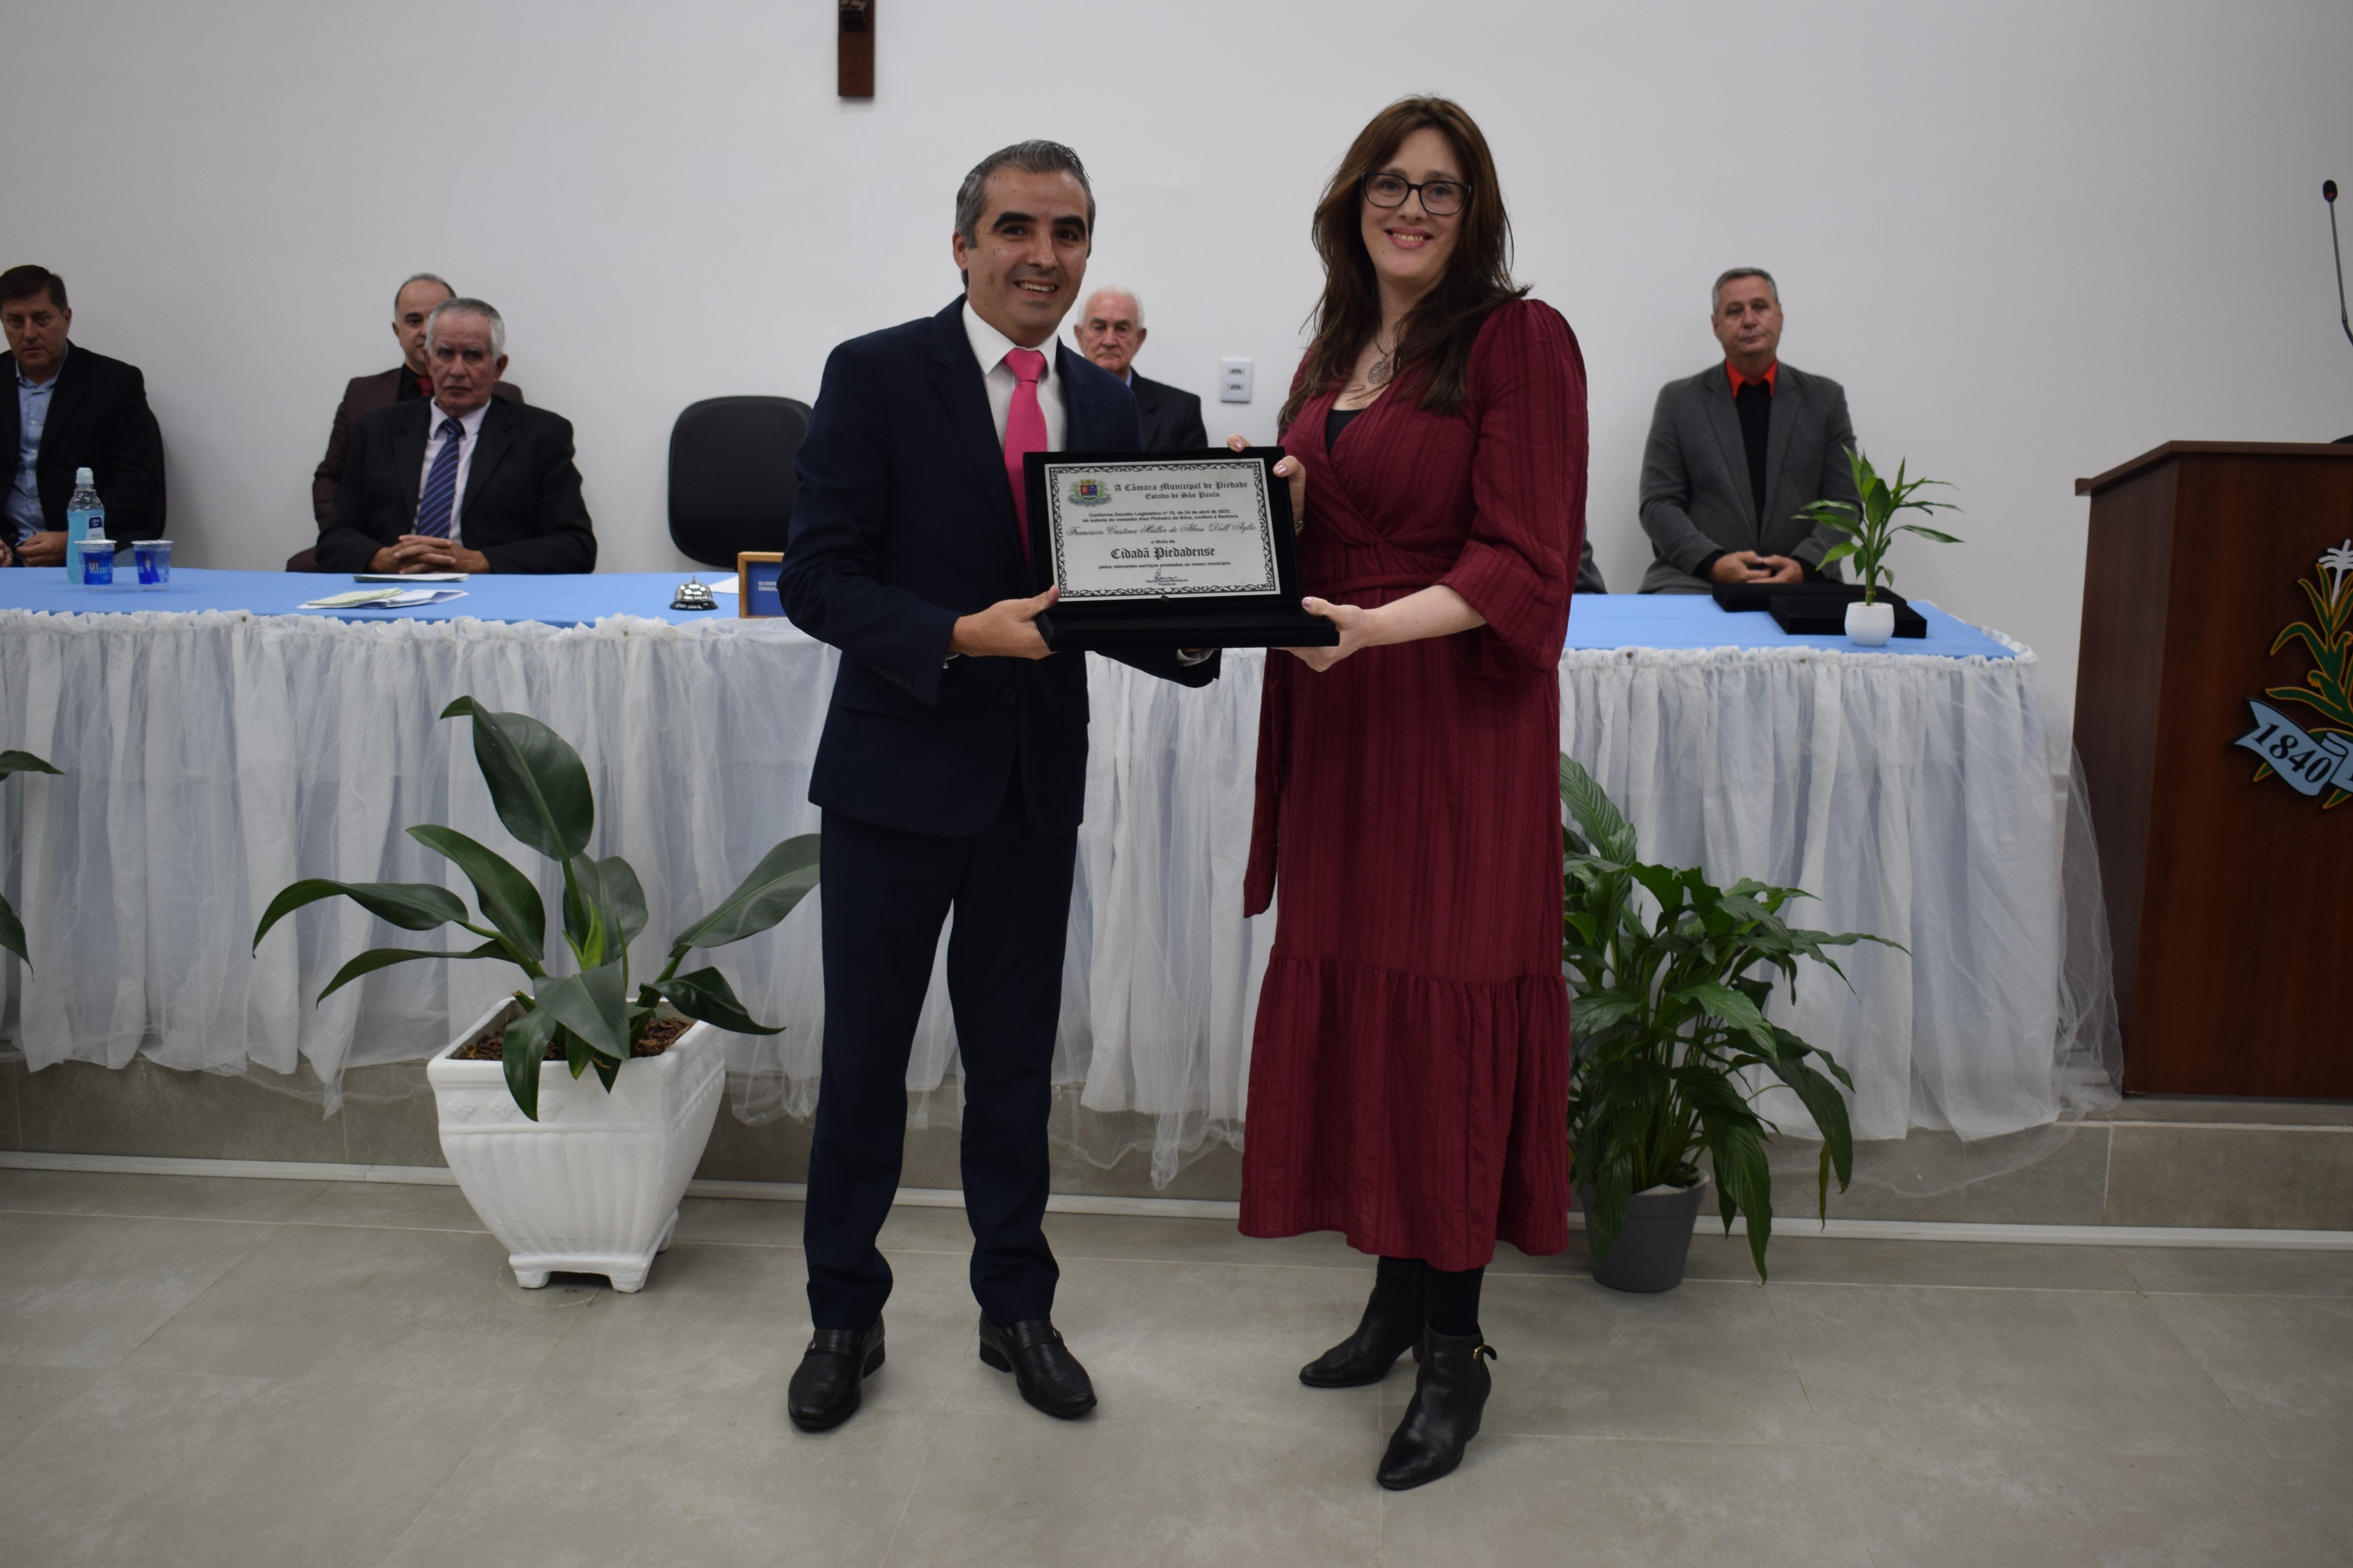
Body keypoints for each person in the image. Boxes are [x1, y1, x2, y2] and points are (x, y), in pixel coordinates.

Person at [777, 140, 1219, 1436]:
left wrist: (1214, 630)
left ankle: (1015, 1305)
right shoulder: (874, 373)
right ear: (963, 244)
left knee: (1017, 1070)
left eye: (1067, 232)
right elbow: (816, 578)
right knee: (863, 1067)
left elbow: (1117, 606)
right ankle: (842, 1315)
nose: (1043, 254)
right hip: (894, 776)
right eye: (1017, 227)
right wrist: (956, 636)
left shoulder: (1112, 405)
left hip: (1032, 790)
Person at [1231, 97, 1585, 1490]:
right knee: (1373, 1008)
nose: (1413, 208)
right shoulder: (1332, 352)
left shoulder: (1519, 341)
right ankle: (1392, 1299)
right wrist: (1263, 520)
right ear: (1351, 202)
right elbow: (1309, 531)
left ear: (1473, 211)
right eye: (1391, 183)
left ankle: (1455, 1349)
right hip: (1344, 719)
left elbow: (1524, 558)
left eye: (1442, 188)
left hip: (1454, 719)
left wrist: (1377, 626)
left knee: (1444, 1012)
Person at [315, 298, 594, 575]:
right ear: (428, 360)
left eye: (473, 355)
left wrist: (482, 562)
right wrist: (381, 559)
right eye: (445, 354)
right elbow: (335, 537)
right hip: (396, 588)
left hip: (488, 592)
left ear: (498, 367)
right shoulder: (376, 431)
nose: (457, 371)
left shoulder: (542, 435)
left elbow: (576, 546)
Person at [1636, 268, 1858, 593]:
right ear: (1716, 326)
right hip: (1696, 579)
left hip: (1802, 578)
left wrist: (1805, 566)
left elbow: (1843, 502)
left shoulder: (1825, 400)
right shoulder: (1678, 401)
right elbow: (1659, 503)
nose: (1750, 320)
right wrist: (1712, 563)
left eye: (1760, 307)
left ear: (1780, 316)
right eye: (1735, 311)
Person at [311, 273, 523, 527]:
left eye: (434, 319)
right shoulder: (362, 395)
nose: (425, 330)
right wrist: (342, 534)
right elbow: (331, 477)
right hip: (377, 538)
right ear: (397, 331)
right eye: (414, 321)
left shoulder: (502, 397)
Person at [1, 265, 167, 568]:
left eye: (41, 320)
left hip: (100, 542)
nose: (29, 334)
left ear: (66, 319)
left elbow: (137, 485)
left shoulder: (115, 383)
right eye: (15, 322)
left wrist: (73, 538)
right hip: (10, 550)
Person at [1072, 287, 1207, 451]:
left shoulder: (1182, 411)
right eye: (1099, 328)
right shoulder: (1056, 400)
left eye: (1122, 329)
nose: (1109, 341)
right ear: (1079, 336)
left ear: (1139, 339)